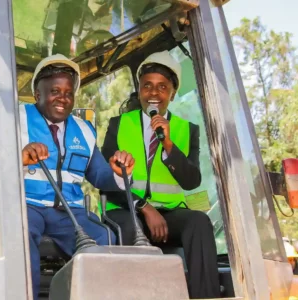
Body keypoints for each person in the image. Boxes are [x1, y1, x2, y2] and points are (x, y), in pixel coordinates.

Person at [100, 50, 220, 299]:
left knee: (199, 222)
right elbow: (105, 179)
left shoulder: (187, 130)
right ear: (140, 90)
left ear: (172, 93)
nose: (154, 93)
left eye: (162, 87)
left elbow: (191, 181)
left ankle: (206, 296)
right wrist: (144, 207)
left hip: (171, 212)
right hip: (127, 209)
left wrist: (168, 146)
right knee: (130, 230)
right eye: (147, 86)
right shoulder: (118, 124)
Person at [19, 54, 135, 299]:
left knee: (104, 236)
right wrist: (19, 157)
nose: (63, 98)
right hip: (25, 206)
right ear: (37, 94)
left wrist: (118, 173)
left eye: (68, 93)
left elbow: (99, 175)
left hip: (70, 212)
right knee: (20, 234)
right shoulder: (14, 119)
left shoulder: (84, 130)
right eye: (54, 91)